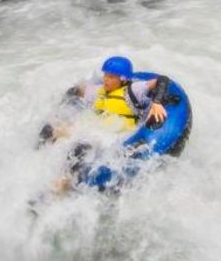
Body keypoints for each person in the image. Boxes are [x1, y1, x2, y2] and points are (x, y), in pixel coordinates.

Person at [47, 56, 173, 193]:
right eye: (106, 75)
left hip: (115, 135)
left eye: (112, 77)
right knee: (50, 130)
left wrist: (157, 102)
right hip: (95, 127)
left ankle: (63, 184)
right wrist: (63, 105)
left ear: (123, 79)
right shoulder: (99, 90)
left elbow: (163, 80)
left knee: (80, 147)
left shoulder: (134, 90)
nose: (106, 79)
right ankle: (37, 158)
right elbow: (77, 91)